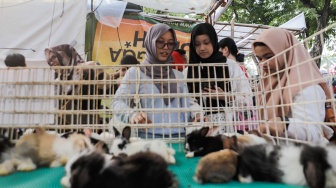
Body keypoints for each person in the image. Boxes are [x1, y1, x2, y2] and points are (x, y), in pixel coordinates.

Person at [111, 23, 203, 138]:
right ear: (150, 42)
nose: (165, 47)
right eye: (160, 42)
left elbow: (188, 103)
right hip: (147, 139)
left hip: (180, 138)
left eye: (170, 43)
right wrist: (133, 115)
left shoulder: (178, 76)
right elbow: (117, 103)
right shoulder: (136, 73)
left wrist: (197, 113)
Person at [253, 27, 334, 143]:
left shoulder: (306, 86)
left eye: (269, 57)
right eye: (259, 58)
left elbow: (313, 132)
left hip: (307, 157)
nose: (262, 64)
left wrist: (285, 123)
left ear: (287, 52)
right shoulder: (267, 83)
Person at [187, 23, 254, 133]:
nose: (202, 48)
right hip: (200, 130)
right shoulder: (190, 71)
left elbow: (247, 98)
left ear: (213, 41)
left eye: (206, 43)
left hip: (228, 127)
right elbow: (187, 100)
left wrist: (226, 97)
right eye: (197, 44)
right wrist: (197, 113)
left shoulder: (230, 66)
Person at [45, 44, 112, 125]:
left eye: (54, 57)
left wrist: (92, 67)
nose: (52, 63)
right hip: (66, 126)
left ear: (66, 54)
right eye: (49, 61)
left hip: (89, 122)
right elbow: (55, 108)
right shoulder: (58, 82)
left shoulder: (87, 68)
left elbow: (108, 86)